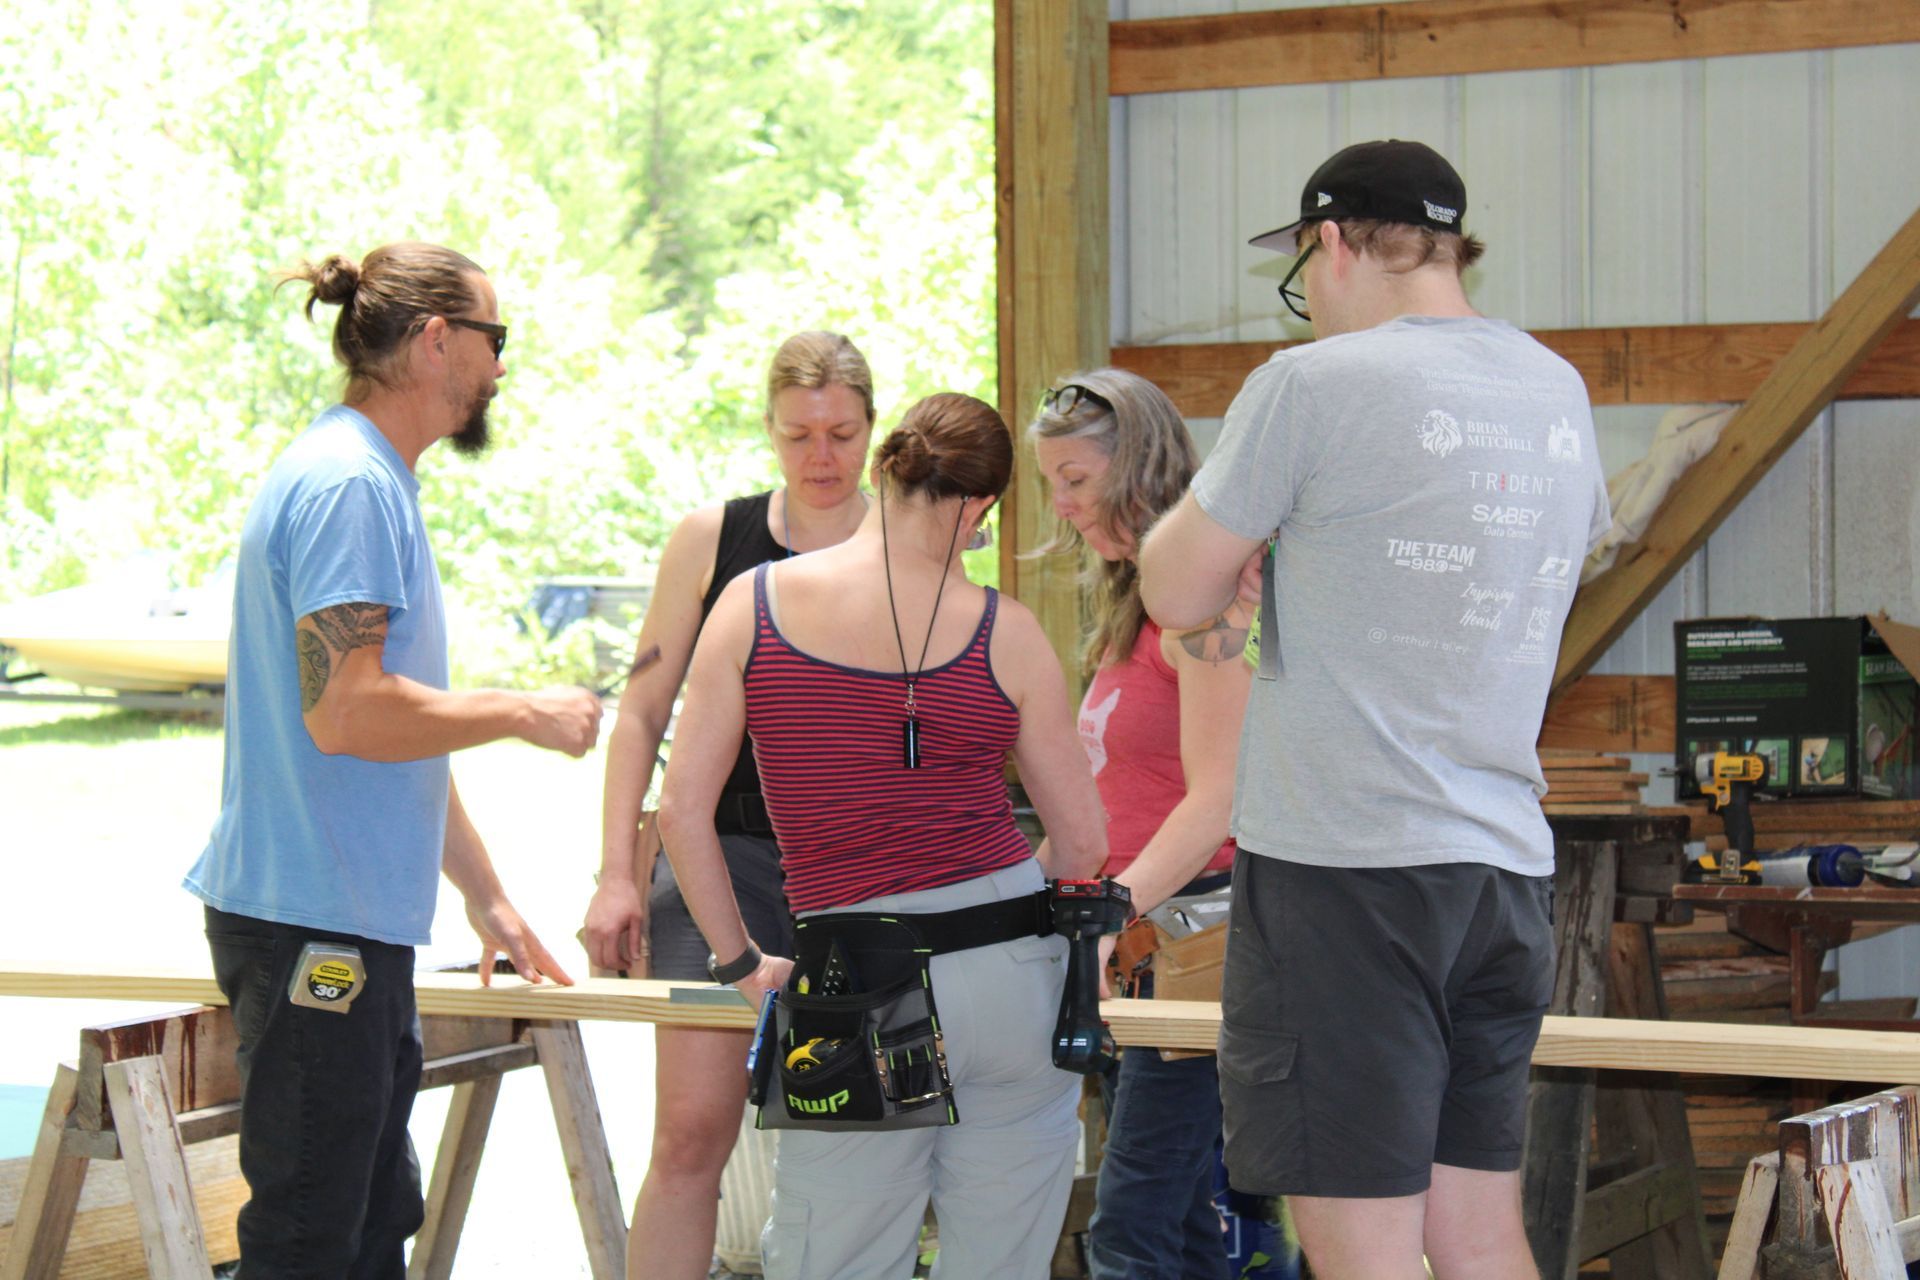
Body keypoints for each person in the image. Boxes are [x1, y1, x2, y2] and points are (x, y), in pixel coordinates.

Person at [1137, 140, 1611, 1280]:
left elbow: (1172, 588)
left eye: (1305, 269)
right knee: (1478, 1229)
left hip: (1348, 875)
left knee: (1363, 1246)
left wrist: (1258, 555)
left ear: (1334, 242)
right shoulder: (1555, 387)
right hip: (1500, 869)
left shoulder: (1312, 385)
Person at [183, 242, 600, 1277]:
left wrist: (488, 897)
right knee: (311, 1235)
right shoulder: (349, 486)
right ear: (434, 340)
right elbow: (349, 711)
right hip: (312, 925)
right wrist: (520, 708)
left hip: (347, 921)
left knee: (372, 1217)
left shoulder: (367, 478)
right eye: (494, 340)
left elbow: (392, 734)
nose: (502, 368)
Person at [657, 392, 1108, 1279]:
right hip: (1011, 970)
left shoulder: (753, 606)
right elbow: (1084, 842)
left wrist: (742, 964)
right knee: (1001, 1260)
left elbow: (680, 813)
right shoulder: (1006, 631)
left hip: (852, 971)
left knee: (836, 1255)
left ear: (879, 471)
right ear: (981, 508)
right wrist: (1002, 928)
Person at [582, 331, 878, 1279]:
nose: (821, 458)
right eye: (799, 437)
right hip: (716, 861)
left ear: (872, 428)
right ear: (770, 432)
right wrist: (613, 877)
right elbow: (640, 715)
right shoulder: (711, 539)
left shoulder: (906, 542)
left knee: (849, 1142)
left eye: (840, 434)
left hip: (852, 874)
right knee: (690, 1137)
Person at [1029, 368, 1255, 1280]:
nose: (1064, 507)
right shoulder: (1132, 609)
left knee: (1129, 1229)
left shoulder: (1205, 607)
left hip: (1193, 944)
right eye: (1052, 486)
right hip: (1132, 948)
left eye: (1077, 481)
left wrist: (1106, 917)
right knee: (1182, 1221)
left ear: (1140, 466)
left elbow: (1219, 801)